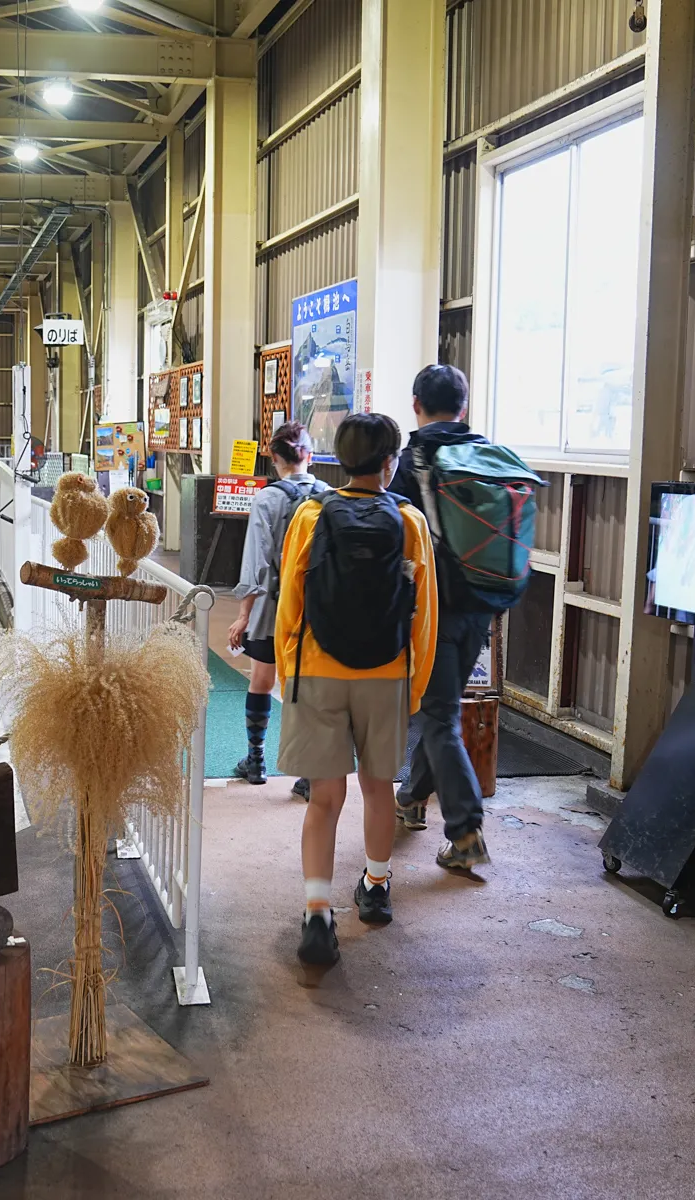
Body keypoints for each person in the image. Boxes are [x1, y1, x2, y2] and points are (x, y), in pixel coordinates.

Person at [275, 413, 434, 967]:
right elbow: (424, 619)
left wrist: (290, 673)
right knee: (376, 790)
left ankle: (318, 914)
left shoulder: (311, 514)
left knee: (324, 799)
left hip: (318, 670)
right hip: (386, 674)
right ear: (389, 463)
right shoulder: (409, 521)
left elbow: (290, 604)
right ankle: (376, 888)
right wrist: (411, 690)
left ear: (338, 460)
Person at [388, 364, 494, 870]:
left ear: (415, 405)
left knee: (439, 716)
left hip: (435, 608)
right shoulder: (485, 453)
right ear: (464, 406)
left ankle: (466, 831)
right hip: (484, 602)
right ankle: (411, 799)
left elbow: (398, 535)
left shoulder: (414, 459)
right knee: (441, 710)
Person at [225, 421, 328, 797]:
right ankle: (310, 773)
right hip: (318, 612)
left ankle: (256, 761)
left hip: (273, 609)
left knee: (262, 681)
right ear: (309, 456)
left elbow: (256, 564)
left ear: (273, 457)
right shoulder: (329, 495)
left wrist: (243, 615)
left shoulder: (267, 499)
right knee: (311, 689)